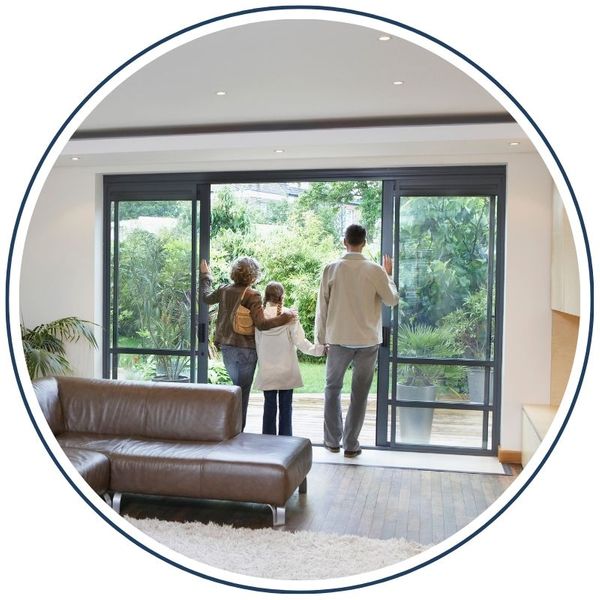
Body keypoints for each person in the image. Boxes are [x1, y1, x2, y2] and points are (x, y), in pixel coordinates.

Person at [315, 224, 399, 457]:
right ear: (364, 242)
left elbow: (322, 308)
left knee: (332, 389)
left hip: (338, 339)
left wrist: (321, 339)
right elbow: (392, 300)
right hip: (367, 341)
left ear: (345, 241)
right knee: (359, 393)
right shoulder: (375, 270)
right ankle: (351, 445)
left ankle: (332, 441)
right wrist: (388, 276)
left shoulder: (331, 269)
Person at [200, 257, 295, 430]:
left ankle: (231, 428)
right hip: (246, 349)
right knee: (242, 394)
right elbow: (261, 324)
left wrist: (206, 275)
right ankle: (236, 432)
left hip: (227, 348)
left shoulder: (223, 290)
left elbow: (206, 298)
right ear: (253, 275)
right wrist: (284, 318)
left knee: (236, 390)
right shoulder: (253, 295)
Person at [254, 281, 325, 436]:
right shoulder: (290, 316)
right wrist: (319, 351)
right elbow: (300, 342)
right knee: (286, 408)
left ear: (266, 296)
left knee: (269, 407)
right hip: (286, 369)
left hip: (267, 370)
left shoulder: (259, 317)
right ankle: (286, 442)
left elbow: (258, 344)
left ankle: (267, 441)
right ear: (282, 297)